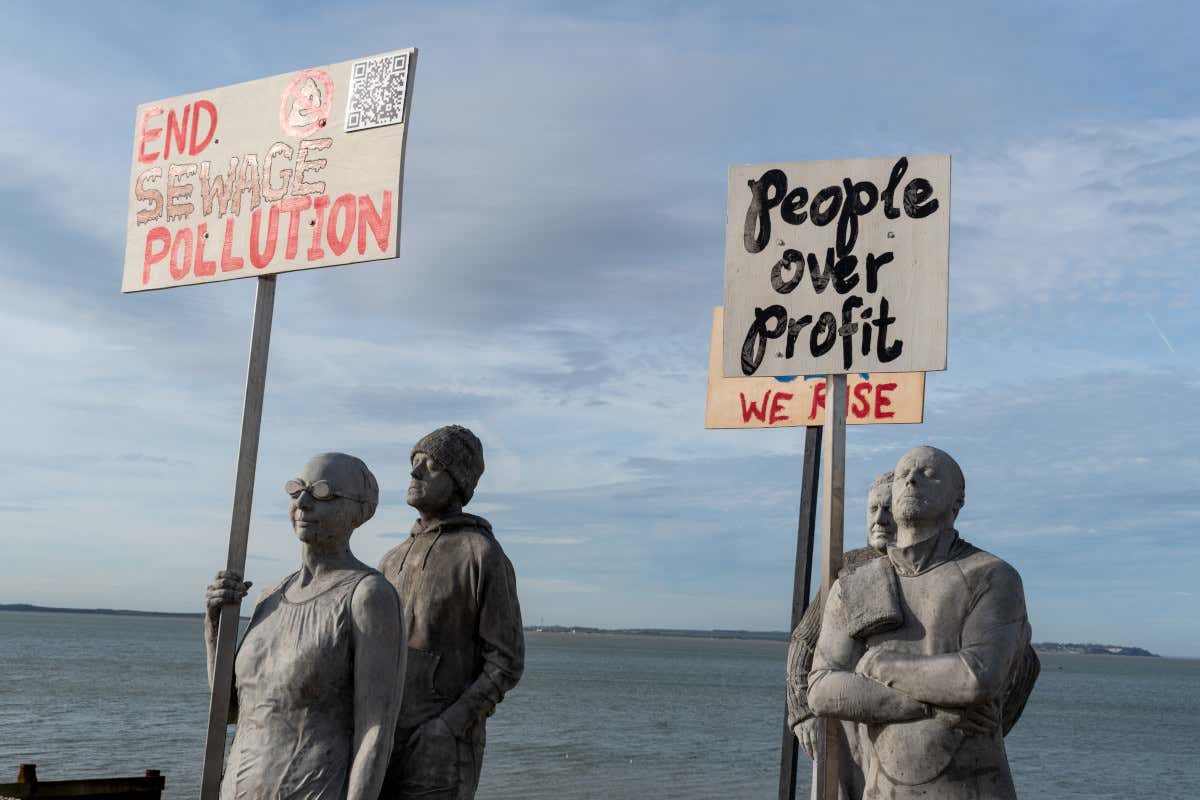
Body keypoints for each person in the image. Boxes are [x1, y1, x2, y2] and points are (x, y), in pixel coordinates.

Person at [807, 446, 1034, 799]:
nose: (911, 479)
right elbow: (821, 688)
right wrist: (931, 706)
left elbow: (976, 677)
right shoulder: (858, 583)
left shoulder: (991, 575)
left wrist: (880, 665)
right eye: (902, 474)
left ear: (957, 501)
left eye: (928, 473)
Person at [204, 453, 404, 800]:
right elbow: (230, 712)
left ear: (359, 511)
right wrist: (214, 629)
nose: (303, 502)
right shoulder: (269, 597)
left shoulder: (368, 596)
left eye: (323, 492)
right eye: (296, 490)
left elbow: (376, 730)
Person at [378, 425, 524, 800]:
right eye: (414, 463)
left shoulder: (482, 555)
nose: (415, 473)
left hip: (443, 753)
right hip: (380, 744)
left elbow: (506, 662)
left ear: (458, 481)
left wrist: (450, 725)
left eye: (431, 465)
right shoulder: (390, 561)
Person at [787, 471, 895, 800]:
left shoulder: (936, 573)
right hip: (844, 725)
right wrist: (801, 711)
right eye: (874, 508)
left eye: (889, 508)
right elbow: (804, 641)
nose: (880, 517)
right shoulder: (848, 566)